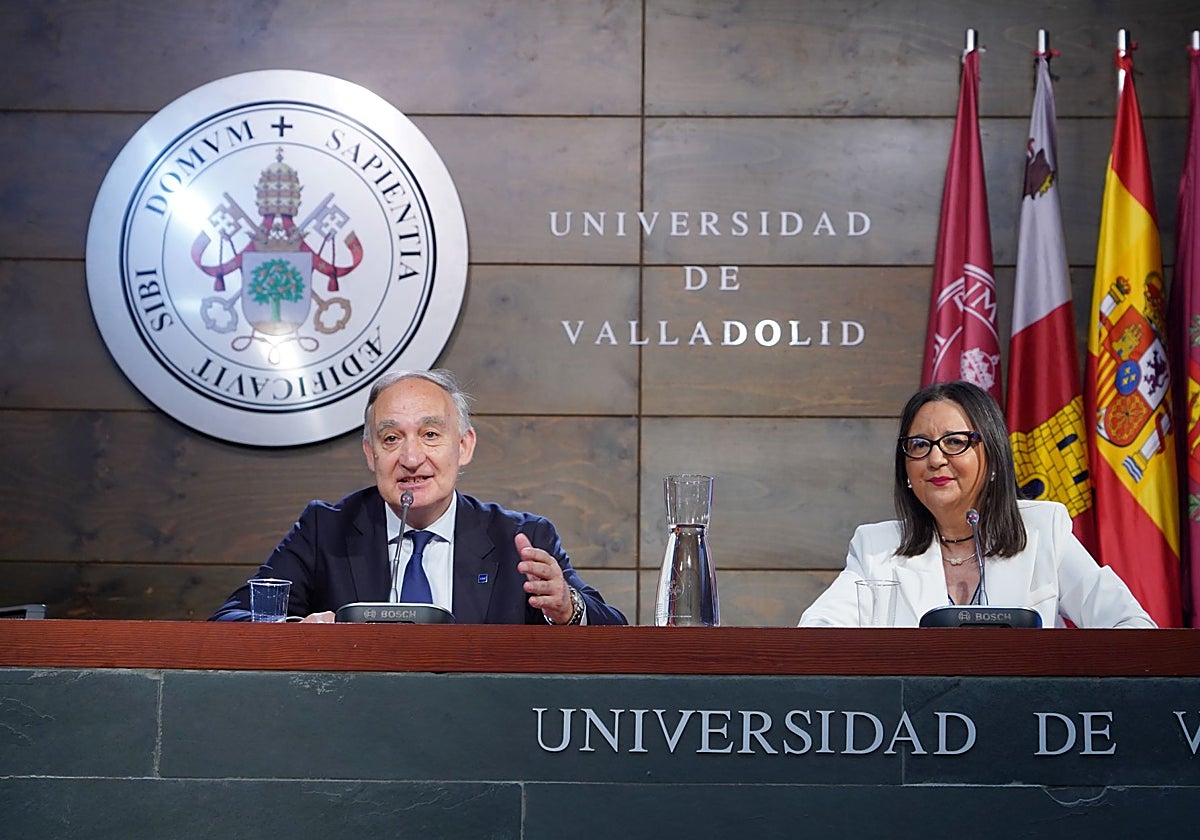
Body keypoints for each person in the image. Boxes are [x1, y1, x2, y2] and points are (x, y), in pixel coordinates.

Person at [211, 369, 627, 625]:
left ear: (463, 446)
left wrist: (567, 607)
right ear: (371, 454)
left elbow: (613, 635)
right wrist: (295, 633)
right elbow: (232, 619)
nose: (411, 458)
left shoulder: (521, 538)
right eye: (391, 439)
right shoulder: (326, 532)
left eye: (430, 435)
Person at [799, 380, 1155, 628]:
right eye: (920, 445)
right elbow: (818, 633)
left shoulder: (1044, 531)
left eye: (955, 442)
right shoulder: (877, 547)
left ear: (994, 457)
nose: (935, 459)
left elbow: (1130, 625)